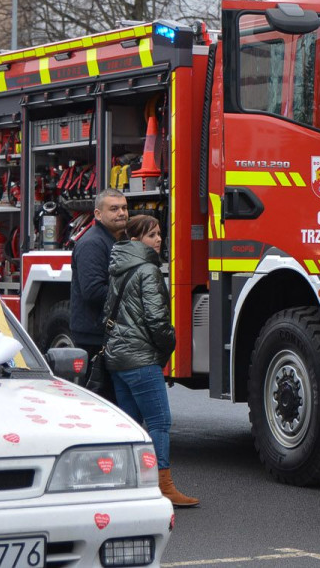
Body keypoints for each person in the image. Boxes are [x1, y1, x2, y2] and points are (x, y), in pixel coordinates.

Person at [100, 214, 198, 508]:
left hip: (118, 357)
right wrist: (169, 344)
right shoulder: (148, 271)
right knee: (159, 421)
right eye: (152, 235)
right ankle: (163, 484)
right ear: (135, 239)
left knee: (130, 425)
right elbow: (157, 320)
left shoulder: (118, 266)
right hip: (141, 359)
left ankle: (123, 483)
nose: (158, 240)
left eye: (158, 234)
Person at [70, 189, 128, 376]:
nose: (121, 213)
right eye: (114, 209)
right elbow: (93, 291)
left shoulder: (116, 240)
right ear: (98, 214)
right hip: (95, 338)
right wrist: (133, 294)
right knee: (101, 399)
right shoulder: (92, 244)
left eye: (124, 208)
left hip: (108, 334)